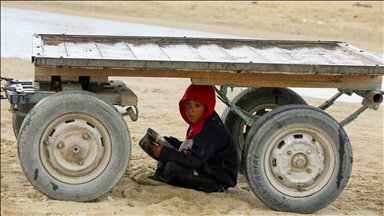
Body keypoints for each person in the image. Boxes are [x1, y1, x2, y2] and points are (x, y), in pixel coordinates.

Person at [136, 84, 238, 193]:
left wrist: (167, 151)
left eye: (197, 105)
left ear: (207, 106)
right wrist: (169, 143)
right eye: (188, 104)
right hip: (204, 165)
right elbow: (193, 147)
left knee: (172, 167)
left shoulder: (209, 130)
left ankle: (165, 176)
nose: (190, 110)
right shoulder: (200, 122)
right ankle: (160, 175)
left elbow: (195, 160)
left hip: (217, 179)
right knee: (166, 146)